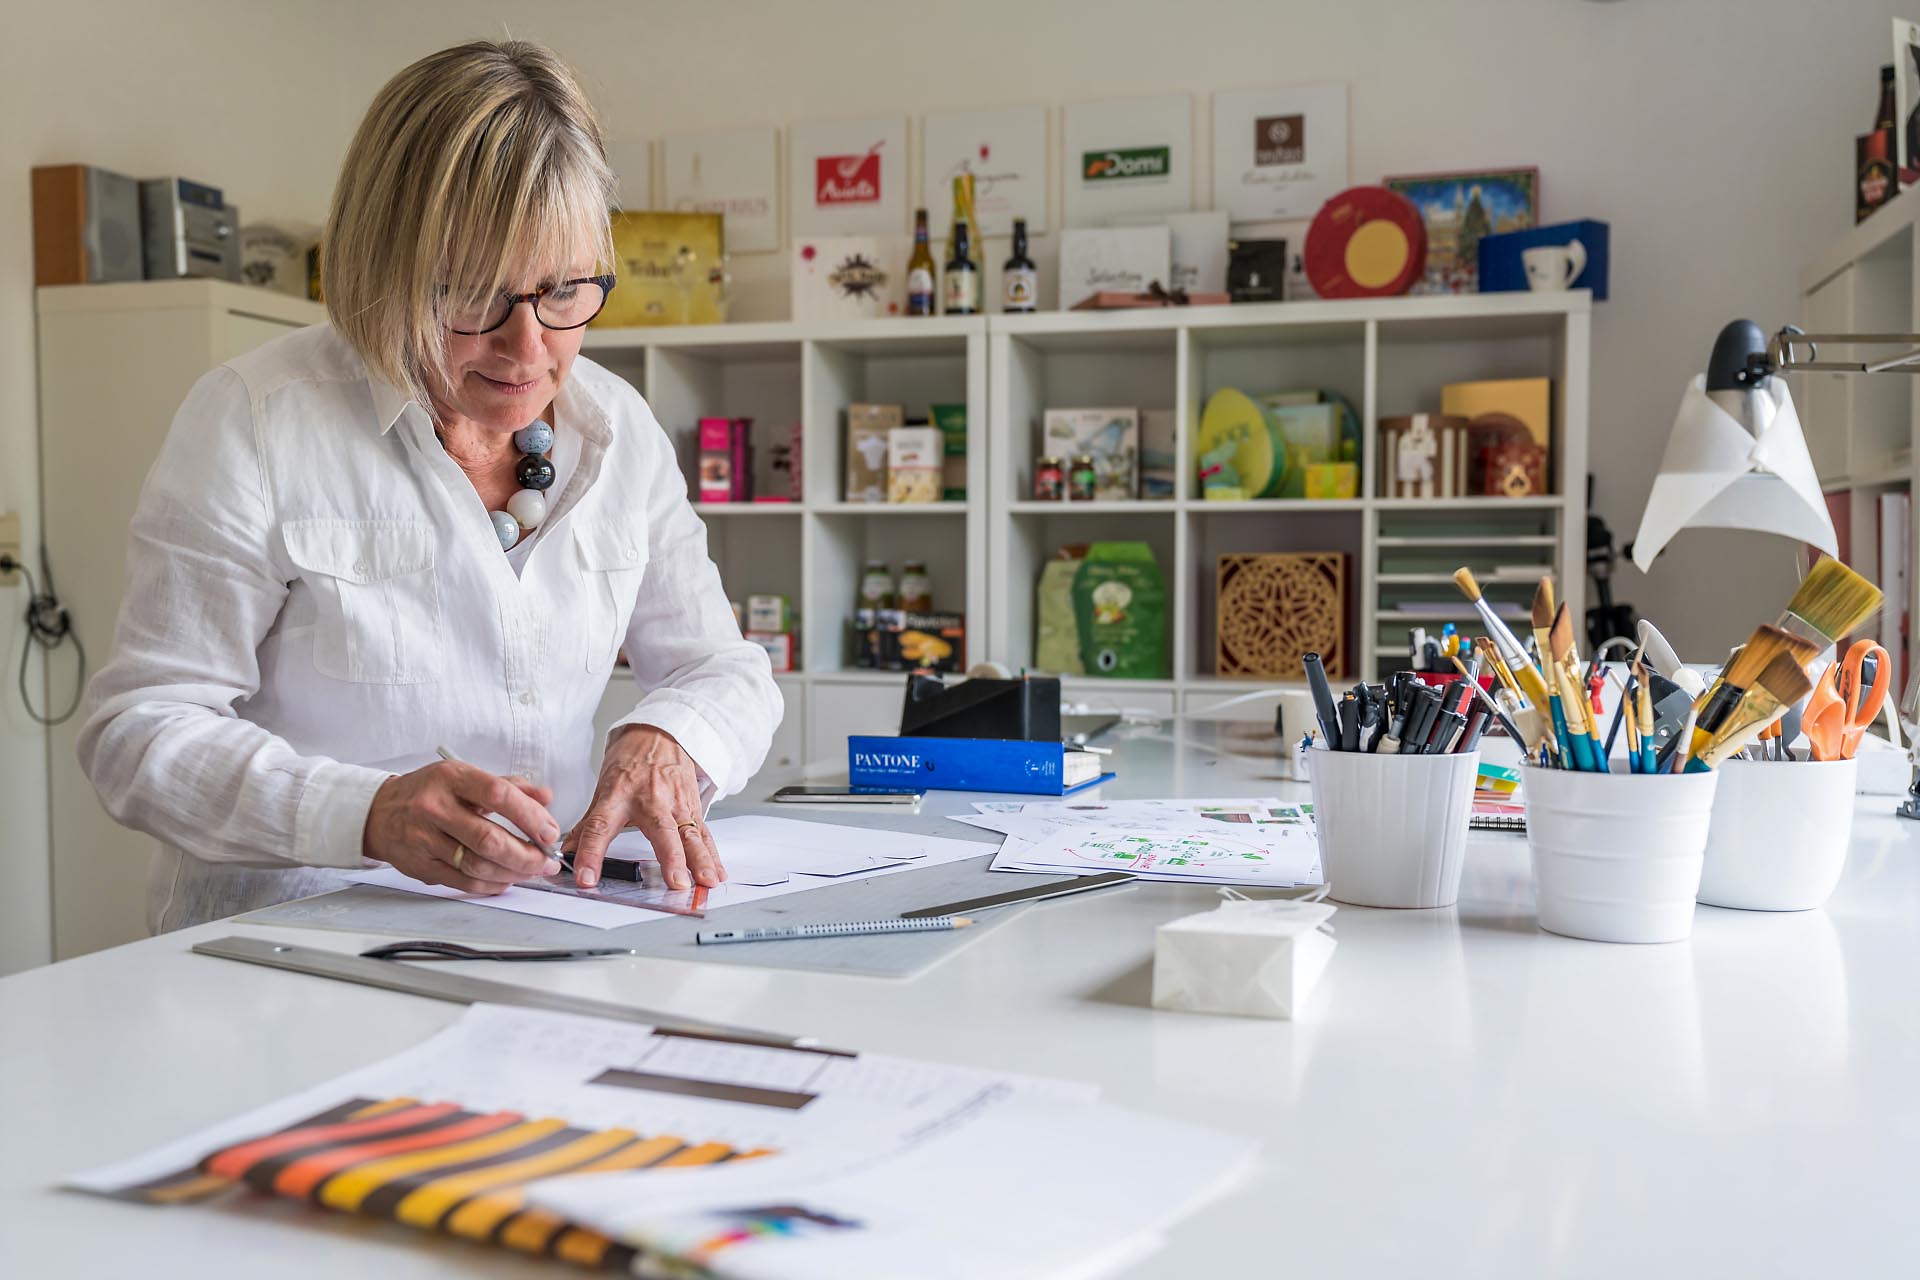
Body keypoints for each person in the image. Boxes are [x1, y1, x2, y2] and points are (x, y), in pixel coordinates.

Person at [78, 40, 780, 932]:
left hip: (545, 936)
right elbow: (137, 733)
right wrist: (364, 813)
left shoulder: (618, 427)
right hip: (286, 952)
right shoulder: (254, 420)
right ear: (384, 267)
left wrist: (669, 736)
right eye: (475, 297)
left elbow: (726, 669)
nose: (529, 350)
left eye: (564, 290)